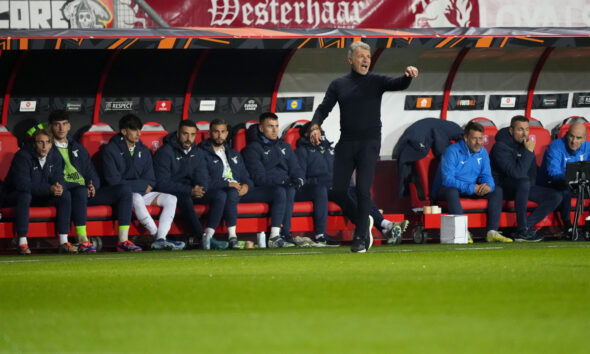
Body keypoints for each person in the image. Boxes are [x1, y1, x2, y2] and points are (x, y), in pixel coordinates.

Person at [309, 41, 418, 253]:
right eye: (361, 56)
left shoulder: (376, 81)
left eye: (367, 56)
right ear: (350, 60)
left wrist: (408, 76)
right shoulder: (338, 84)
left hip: (369, 143)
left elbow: (398, 84)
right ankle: (365, 219)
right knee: (338, 191)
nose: (366, 60)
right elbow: (323, 109)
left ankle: (360, 236)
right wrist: (315, 126)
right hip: (346, 143)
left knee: (361, 190)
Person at [296, 123, 409, 246]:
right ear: (306, 134)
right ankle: (369, 225)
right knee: (344, 195)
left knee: (359, 192)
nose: (318, 132)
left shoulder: (331, 150)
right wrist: (317, 186)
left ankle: (385, 226)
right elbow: (301, 177)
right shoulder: (302, 151)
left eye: (319, 129)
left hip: (340, 186)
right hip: (322, 189)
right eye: (313, 130)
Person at [49, 110, 134, 253]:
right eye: (57, 125)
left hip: (85, 193)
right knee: (80, 191)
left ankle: (123, 240)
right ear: (51, 127)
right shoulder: (47, 148)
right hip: (66, 194)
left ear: (69, 126)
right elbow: (51, 177)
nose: (61, 128)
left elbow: (91, 172)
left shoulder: (78, 148)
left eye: (64, 124)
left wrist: (92, 185)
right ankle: (83, 240)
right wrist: (81, 187)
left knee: (124, 190)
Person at [102, 114, 184, 251]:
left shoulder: (143, 150)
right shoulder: (110, 150)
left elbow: (151, 180)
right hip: (123, 196)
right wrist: (141, 185)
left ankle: (162, 237)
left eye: (139, 129)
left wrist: (141, 185)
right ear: (124, 131)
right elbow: (114, 181)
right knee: (136, 197)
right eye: (134, 130)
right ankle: (157, 237)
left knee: (171, 198)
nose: (138, 133)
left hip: (142, 192)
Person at [153, 119, 228, 250]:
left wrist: (201, 188)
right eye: (185, 134)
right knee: (185, 198)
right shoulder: (165, 152)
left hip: (192, 190)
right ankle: (201, 238)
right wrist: (189, 190)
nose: (189, 138)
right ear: (177, 134)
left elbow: (203, 175)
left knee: (220, 195)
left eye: (192, 135)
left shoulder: (197, 152)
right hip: (173, 192)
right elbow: (162, 183)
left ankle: (209, 236)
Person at [431, 121, 510, 243]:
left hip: (471, 188)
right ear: (466, 138)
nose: (478, 142)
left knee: (496, 190)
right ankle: (462, 232)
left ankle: (492, 232)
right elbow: (448, 180)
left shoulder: (482, 152)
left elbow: (486, 175)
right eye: (474, 138)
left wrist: (488, 186)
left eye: (480, 138)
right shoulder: (452, 151)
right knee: (451, 191)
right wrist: (472, 188)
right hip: (447, 189)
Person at [490, 115, 562, 242]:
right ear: (511, 131)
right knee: (523, 181)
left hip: (523, 187)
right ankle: (522, 230)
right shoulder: (500, 147)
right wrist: (528, 151)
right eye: (520, 129)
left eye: (527, 129)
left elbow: (532, 172)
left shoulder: (526, 145)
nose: (524, 133)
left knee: (556, 196)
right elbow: (517, 174)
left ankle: (524, 227)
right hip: (503, 188)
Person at [3, 129, 75, 255]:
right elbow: (23, 185)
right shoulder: (22, 156)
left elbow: (59, 177)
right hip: (14, 195)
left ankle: (63, 241)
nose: (44, 146)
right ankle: (22, 242)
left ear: (52, 144)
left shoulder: (55, 155)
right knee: (25, 195)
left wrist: (59, 186)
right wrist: (49, 189)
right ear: (34, 144)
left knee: (65, 194)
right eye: (40, 142)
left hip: (41, 196)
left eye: (47, 142)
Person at [242, 112, 305, 248]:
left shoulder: (285, 146)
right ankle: (276, 236)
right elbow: (259, 177)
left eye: (276, 126)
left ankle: (318, 236)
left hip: (286, 187)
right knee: (282, 190)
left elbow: (296, 168)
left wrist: (299, 179)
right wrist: (282, 181)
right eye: (270, 126)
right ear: (261, 128)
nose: (275, 130)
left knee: (318, 190)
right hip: (264, 189)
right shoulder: (252, 148)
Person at [196, 119, 254, 249]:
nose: (219, 135)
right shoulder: (201, 153)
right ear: (210, 133)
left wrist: (246, 186)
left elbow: (246, 176)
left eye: (222, 132)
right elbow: (203, 180)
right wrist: (227, 184)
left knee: (233, 192)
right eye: (216, 131)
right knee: (226, 193)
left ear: (227, 133)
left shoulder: (233, 153)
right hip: (214, 191)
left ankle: (215, 237)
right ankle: (230, 236)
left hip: (235, 190)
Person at [538, 122, 590, 238]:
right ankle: (568, 227)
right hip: (554, 185)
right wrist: (572, 178)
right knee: (565, 189)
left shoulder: (588, 147)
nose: (574, 141)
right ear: (566, 135)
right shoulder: (555, 146)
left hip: (579, 185)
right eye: (571, 136)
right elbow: (553, 174)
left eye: (578, 138)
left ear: (584, 139)